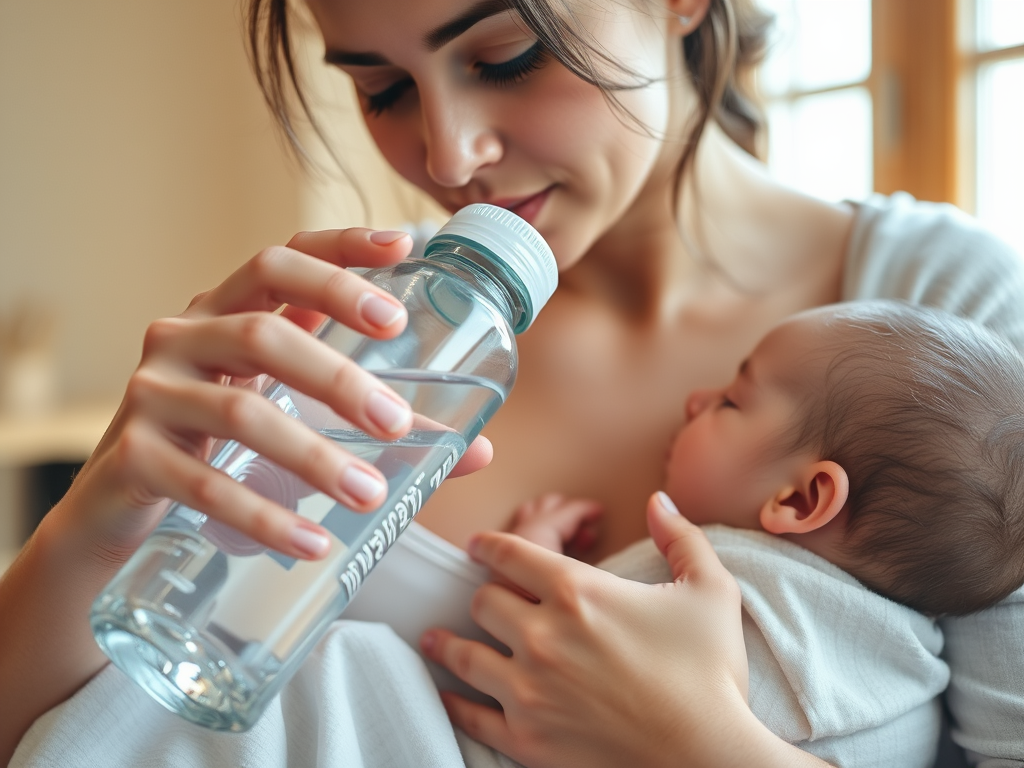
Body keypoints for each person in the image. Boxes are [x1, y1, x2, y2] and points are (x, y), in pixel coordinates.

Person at [3, 0, 1024, 765]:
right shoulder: (355, 341)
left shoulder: (953, 319)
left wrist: (698, 747)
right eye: (383, 88)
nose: (451, 155)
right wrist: (87, 533)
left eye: (506, 56)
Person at [507, 299, 1024, 765]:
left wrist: (530, 557)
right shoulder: (909, 687)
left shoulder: (727, 573)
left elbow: (542, 639)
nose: (695, 400)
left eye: (731, 400)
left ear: (800, 500)